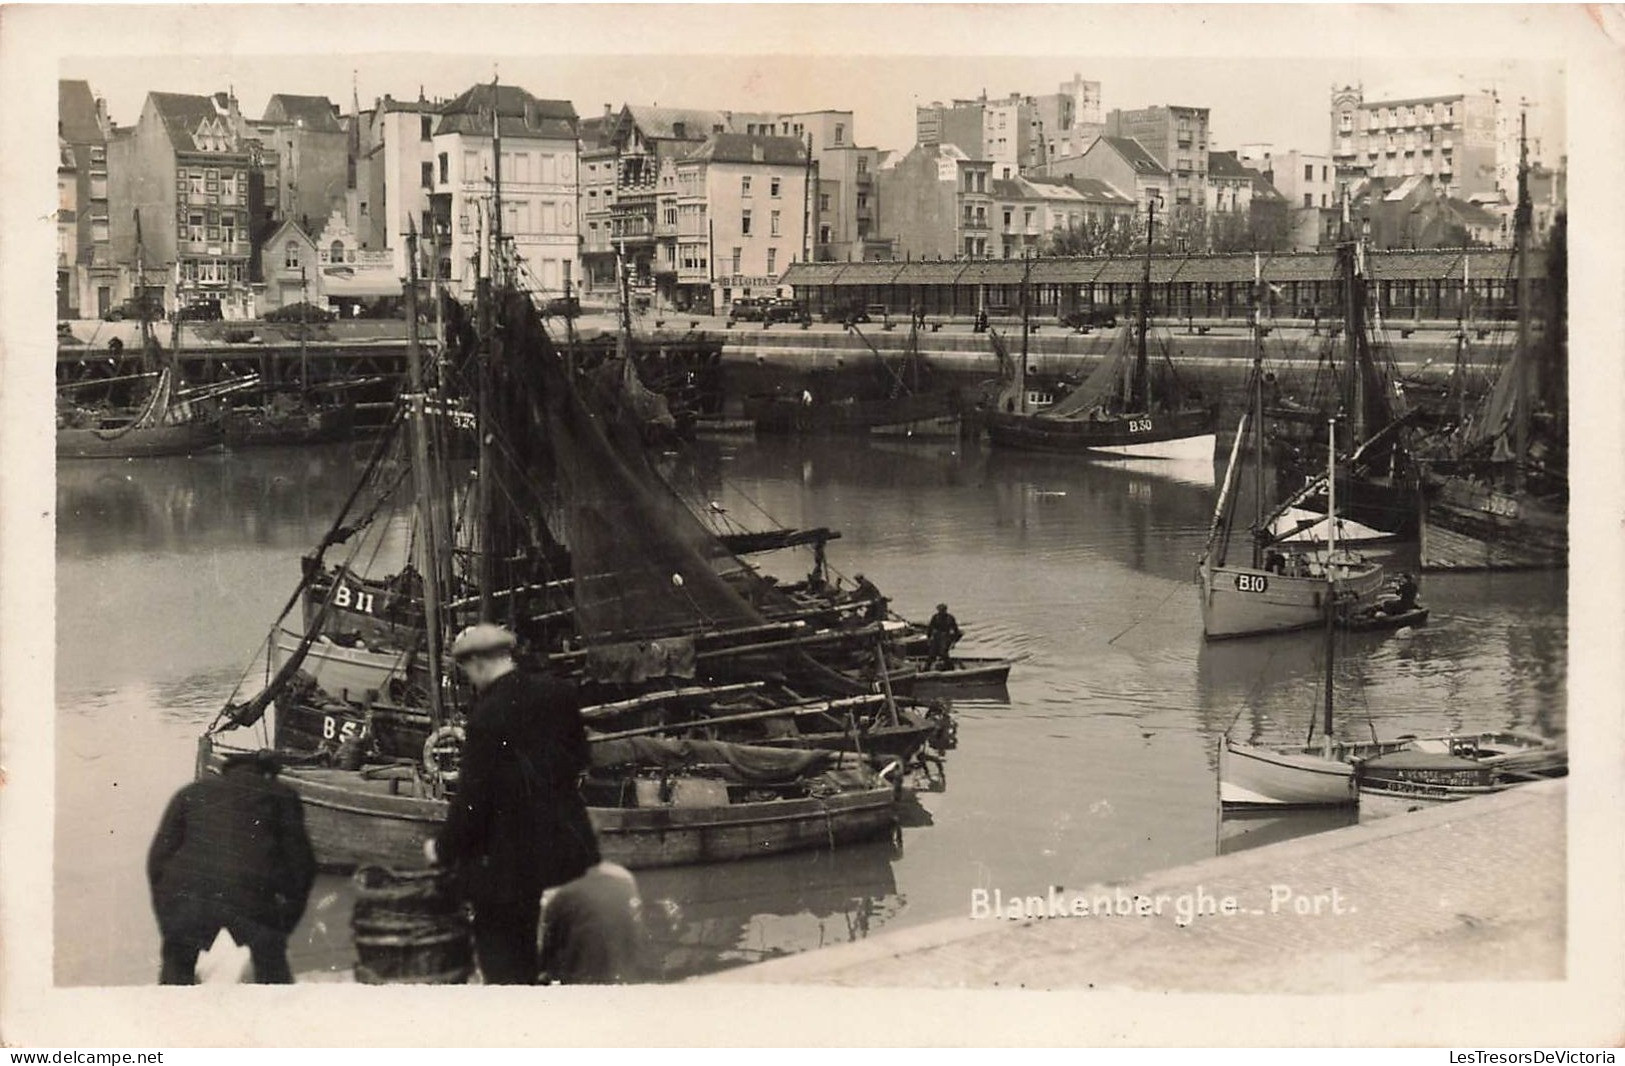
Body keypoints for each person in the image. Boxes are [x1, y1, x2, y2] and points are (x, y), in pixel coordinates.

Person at [428, 623, 600, 985]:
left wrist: (442, 848)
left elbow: (472, 800)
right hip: (565, 852)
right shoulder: (559, 693)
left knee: (505, 962)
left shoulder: (486, 716)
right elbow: (579, 759)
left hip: (510, 863)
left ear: (476, 663)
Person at [147, 749, 316, 985]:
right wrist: (284, 924)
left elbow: (157, 860)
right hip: (254, 896)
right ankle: (277, 1011)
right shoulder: (282, 795)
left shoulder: (189, 793)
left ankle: (171, 1007)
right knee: (272, 962)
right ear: (268, 775)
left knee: (177, 960)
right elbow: (303, 865)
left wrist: (168, 919)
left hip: (190, 894)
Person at [539, 861, 643, 984]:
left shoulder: (564, 894)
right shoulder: (624, 881)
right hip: (621, 977)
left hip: (581, 980)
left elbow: (547, 956)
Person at [925, 603, 963, 670]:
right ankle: (926, 668)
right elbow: (930, 628)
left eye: (942, 610)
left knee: (943, 652)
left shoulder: (950, 618)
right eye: (940, 610)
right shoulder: (935, 617)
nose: (941, 612)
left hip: (945, 636)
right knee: (932, 653)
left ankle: (950, 667)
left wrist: (954, 641)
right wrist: (929, 638)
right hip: (936, 637)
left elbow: (956, 630)